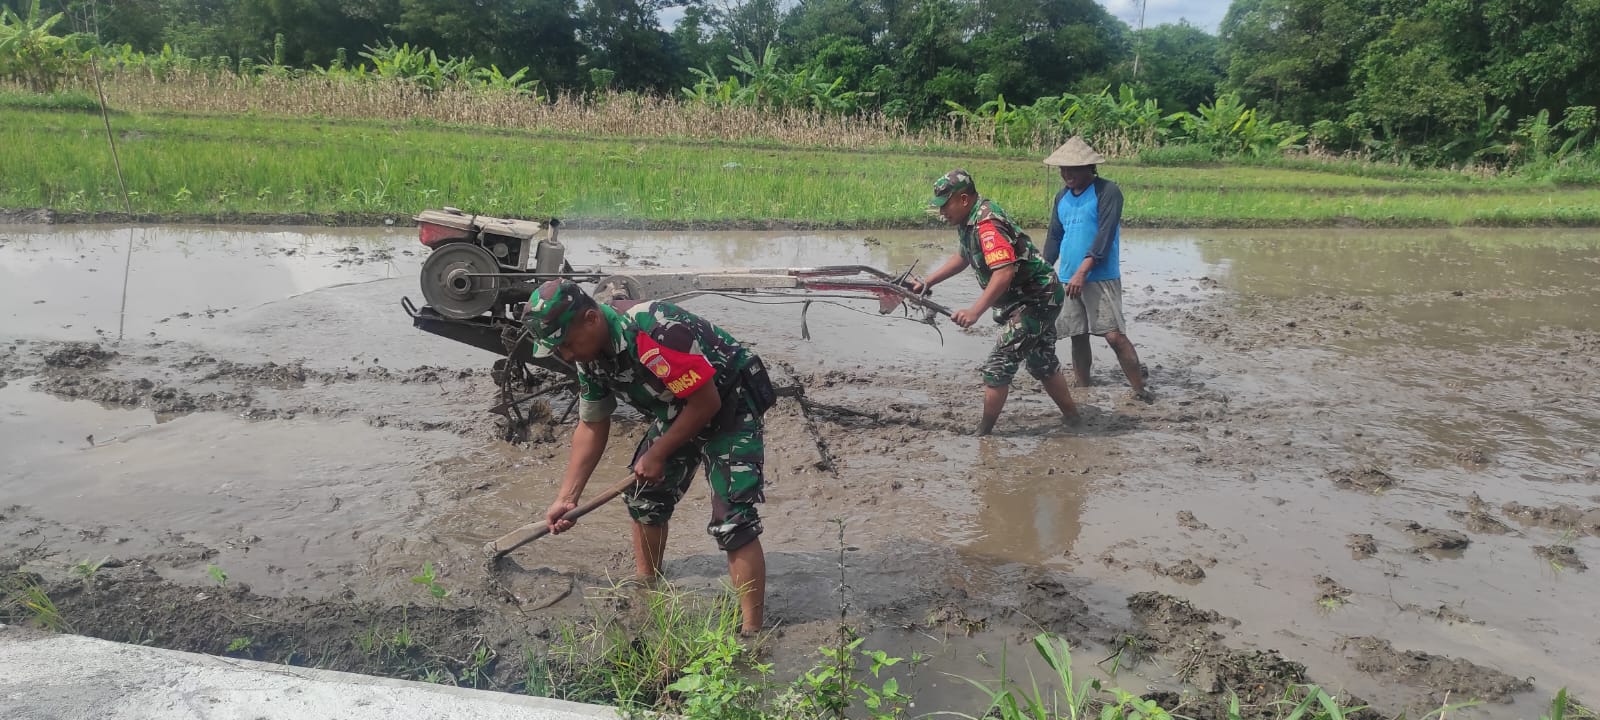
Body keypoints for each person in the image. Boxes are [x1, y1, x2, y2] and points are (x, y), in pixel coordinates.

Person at [524, 279, 776, 636]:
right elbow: (592, 425)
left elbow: (706, 403)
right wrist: (567, 498)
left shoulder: (655, 331)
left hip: (730, 400)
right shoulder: (589, 354)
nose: (565, 355)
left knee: (733, 519)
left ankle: (752, 633)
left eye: (565, 344)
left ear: (592, 319)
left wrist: (657, 453)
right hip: (680, 404)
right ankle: (649, 590)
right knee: (644, 497)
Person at [912, 168, 1080, 436]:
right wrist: (927, 282)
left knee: (998, 364)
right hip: (1033, 296)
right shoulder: (969, 221)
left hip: (1036, 299)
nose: (942, 213)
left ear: (964, 199)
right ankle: (1074, 419)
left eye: (946, 206)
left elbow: (1004, 272)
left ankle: (984, 433)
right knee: (1041, 361)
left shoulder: (987, 225)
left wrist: (975, 311)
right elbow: (964, 257)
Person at [1041, 137, 1150, 400]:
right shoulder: (1062, 197)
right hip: (1068, 277)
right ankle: (1082, 388)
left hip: (1099, 277)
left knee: (1113, 335)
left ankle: (1139, 390)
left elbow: (1105, 234)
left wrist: (1083, 271)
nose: (1067, 174)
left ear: (1090, 168)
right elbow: (1055, 236)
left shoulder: (1107, 191)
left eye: (1073, 169)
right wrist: (1043, 269)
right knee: (1077, 335)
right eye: (1063, 170)